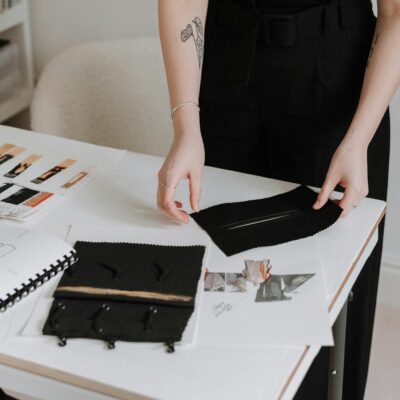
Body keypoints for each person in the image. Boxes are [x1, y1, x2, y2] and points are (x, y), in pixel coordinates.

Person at [157, 0, 399, 398]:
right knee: (219, 275)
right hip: (226, 79)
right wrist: (186, 126)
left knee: (323, 295)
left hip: (338, 91)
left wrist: (358, 141)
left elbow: (396, 14)